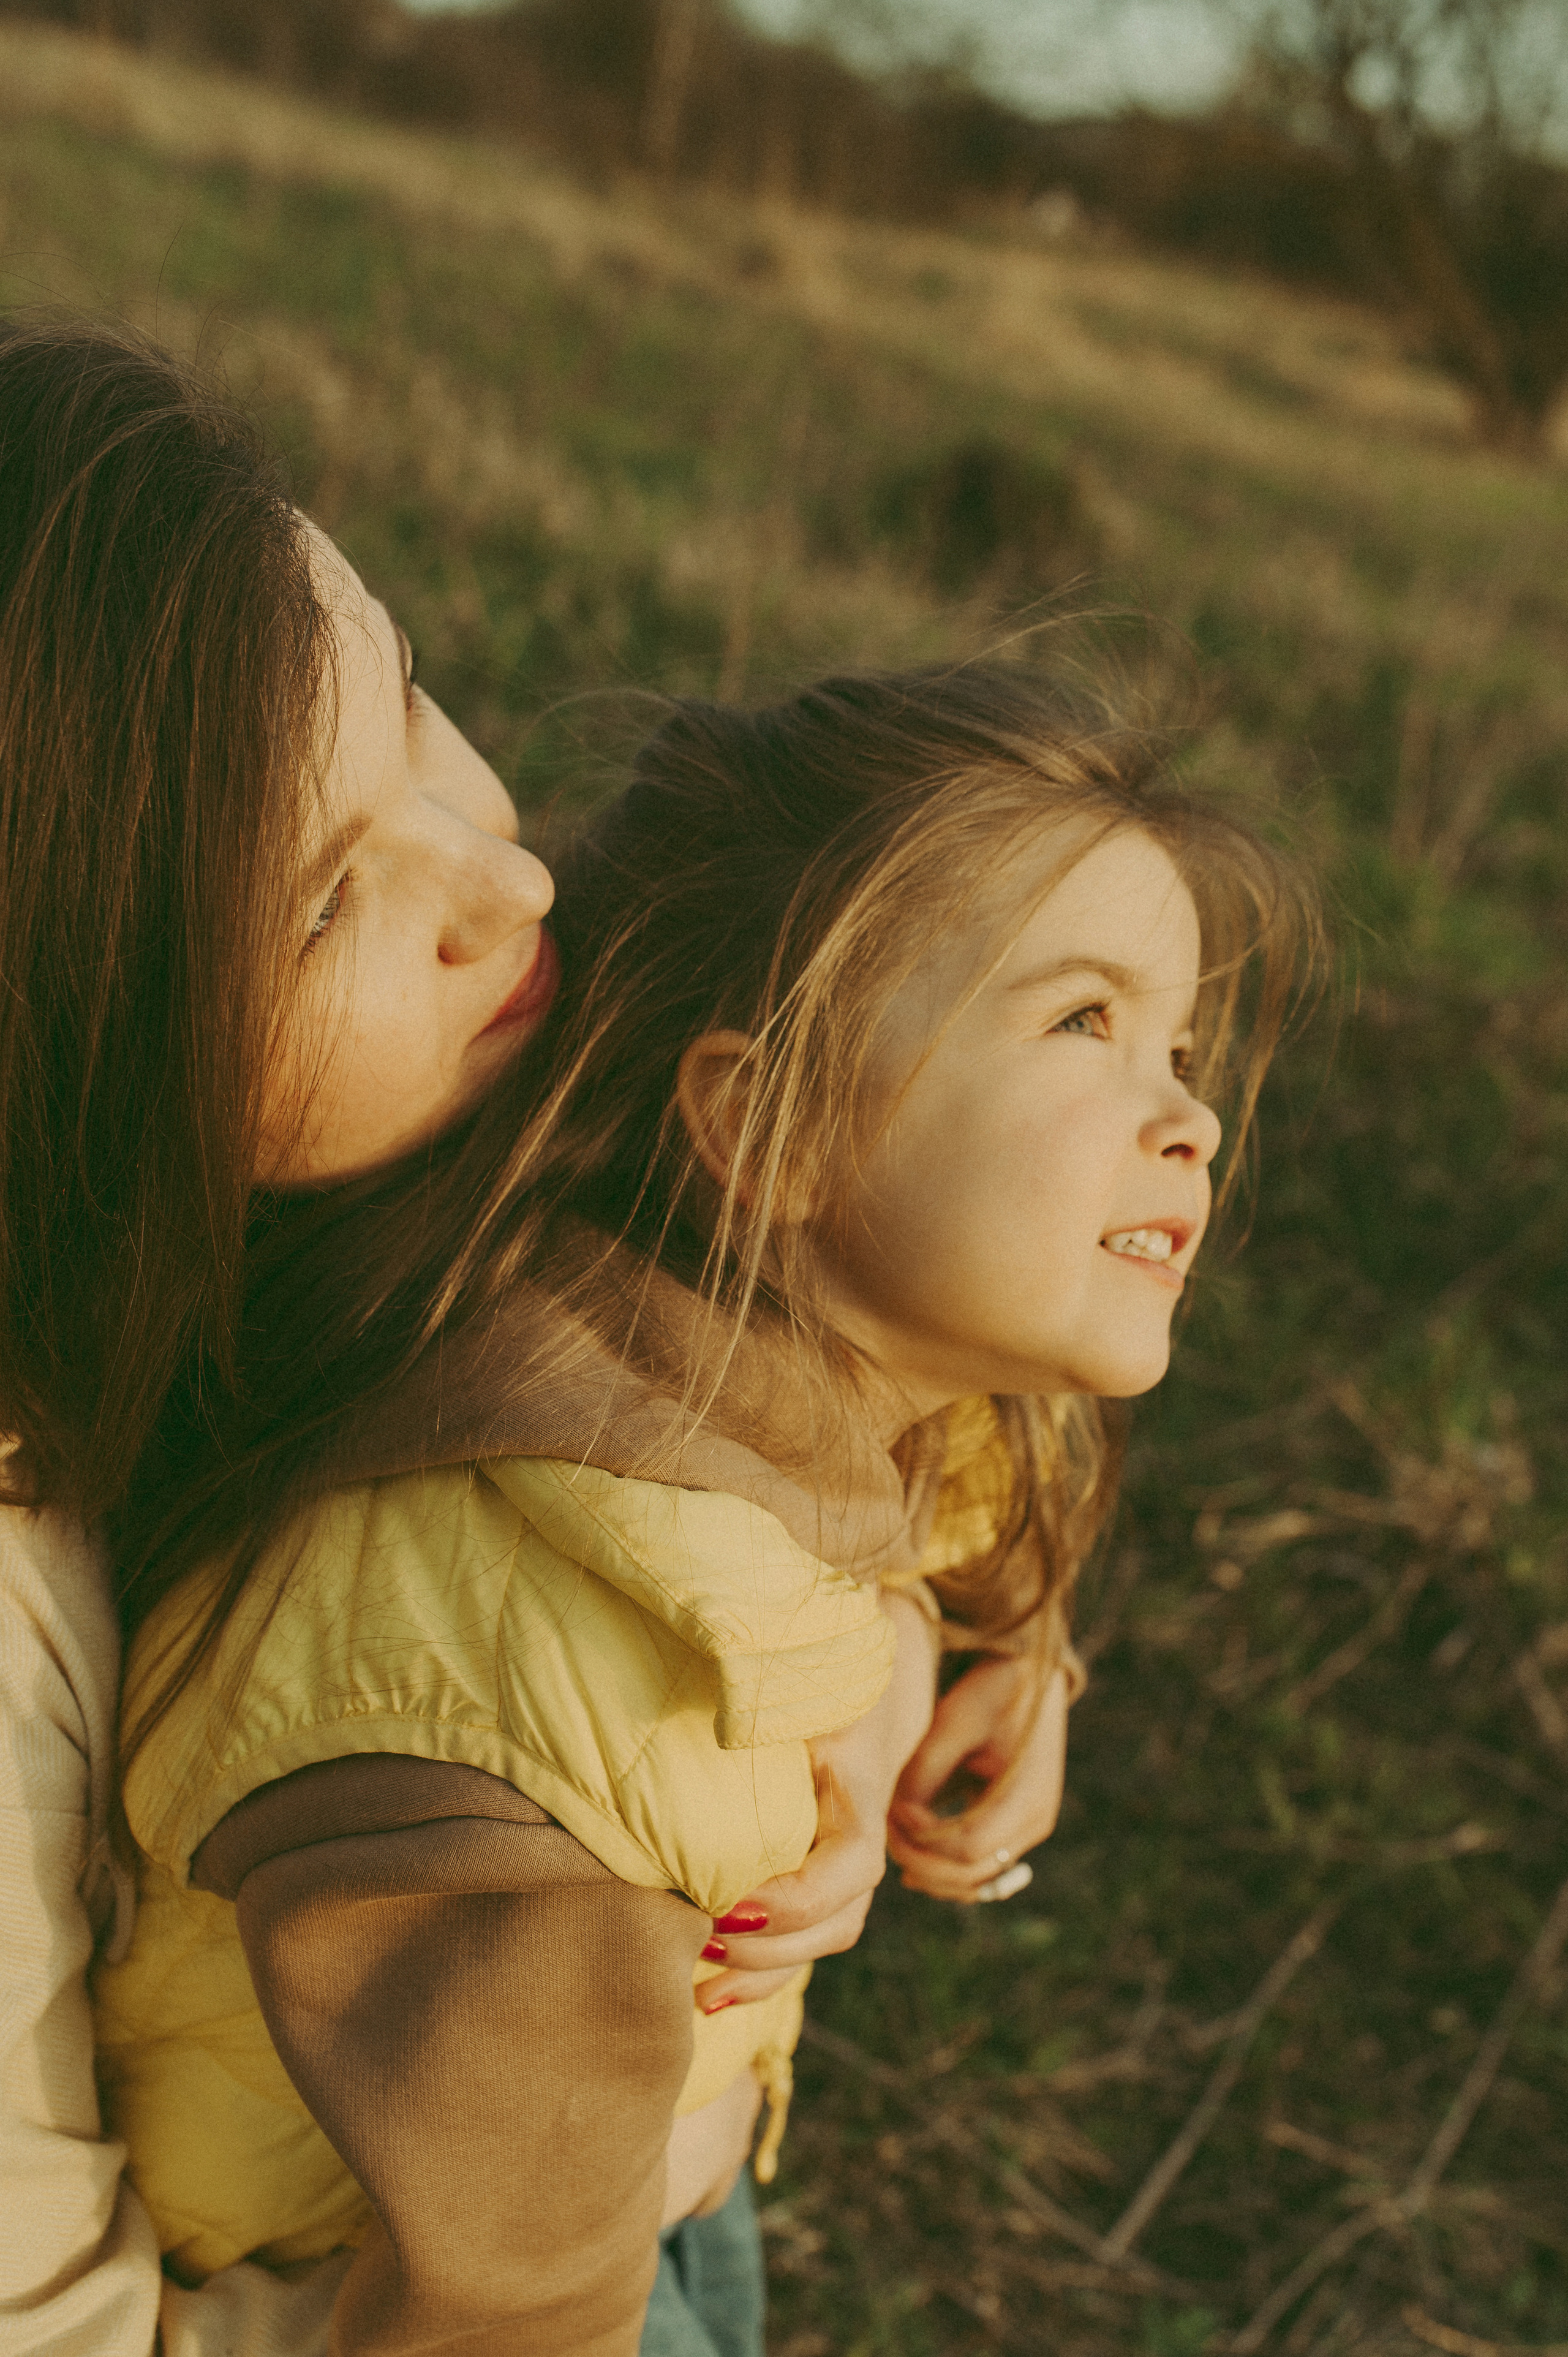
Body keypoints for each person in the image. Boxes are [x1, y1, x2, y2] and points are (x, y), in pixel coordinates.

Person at [0, 316, 1044, 2355]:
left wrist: (944, 1630)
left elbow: (807, 1340)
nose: (502, 867)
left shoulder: (472, 1114)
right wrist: (560, 2203)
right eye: (321, 907)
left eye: (411, 708)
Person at [96, 653, 1316, 2355]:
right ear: (769, 1124)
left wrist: (1019, 1657)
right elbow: (505, 2307)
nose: (1186, 1114)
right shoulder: (515, 1681)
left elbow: (945, 1482)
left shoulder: (740, 1340)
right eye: (1082, 1023)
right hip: (410, 2270)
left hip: (655, 2172)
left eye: (1179, 1043)